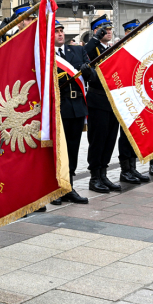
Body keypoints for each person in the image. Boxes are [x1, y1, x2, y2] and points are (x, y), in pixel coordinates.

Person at [50, 20, 90, 205]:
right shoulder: (46, 55)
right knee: (59, 150)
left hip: (77, 107)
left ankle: (69, 187)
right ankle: (56, 188)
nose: (60, 34)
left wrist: (86, 71)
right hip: (59, 108)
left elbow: (92, 74)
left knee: (73, 149)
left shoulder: (78, 51)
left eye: (61, 31)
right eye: (56, 31)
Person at [83, 16, 120, 193]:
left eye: (111, 28)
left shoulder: (112, 48)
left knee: (110, 139)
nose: (109, 31)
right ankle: (94, 177)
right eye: (105, 29)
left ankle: (104, 174)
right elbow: (85, 55)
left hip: (113, 100)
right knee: (97, 140)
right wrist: (95, 38)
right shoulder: (94, 47)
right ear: (98, 31)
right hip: (97, 99)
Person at [116, 20, 151, 185]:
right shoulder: (120, 49)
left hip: (139, 97)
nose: (136, 33)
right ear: (126, 32)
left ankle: (132, 167)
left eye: (137, 30)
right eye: (132, 30)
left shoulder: (142, 49)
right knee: (125, 135)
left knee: (136, 133)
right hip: (125, 97)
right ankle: (125, 170)